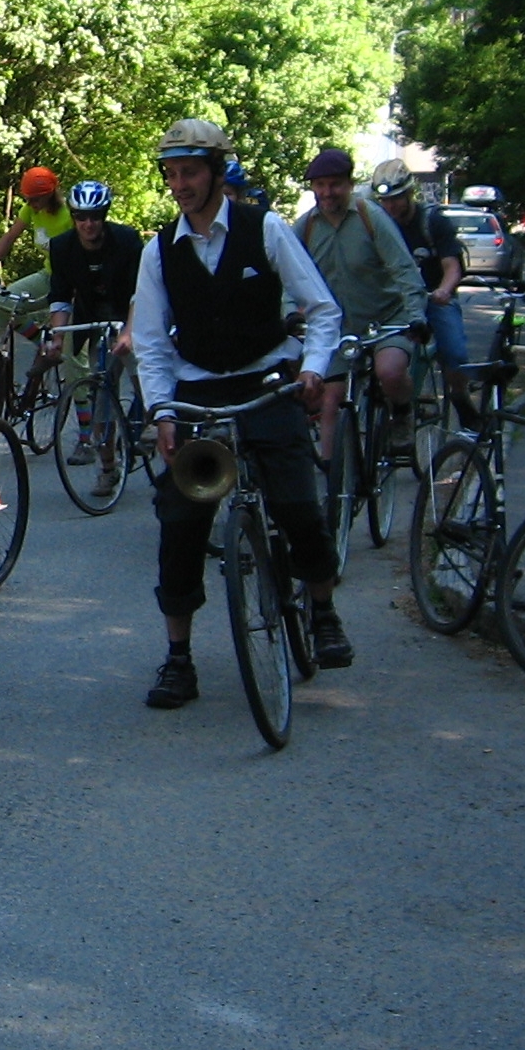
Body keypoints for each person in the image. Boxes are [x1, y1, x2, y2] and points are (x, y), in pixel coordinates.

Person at [134, 118, 345, 709]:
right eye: (172, 174)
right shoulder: (159, 250)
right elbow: (150, 341)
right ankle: (179, 658)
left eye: (190, 172)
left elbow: (322, 309)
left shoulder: (265, 227)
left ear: (215, 172)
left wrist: (314, 367)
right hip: (197, 391)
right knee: (179, 522)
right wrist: (162, 411)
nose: (180, 185)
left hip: (266, 382)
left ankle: (323, 611)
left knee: (299, 506)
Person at [296, 147, 426, 463]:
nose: (327, 192)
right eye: (320, 185)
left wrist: (416, 316)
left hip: (385, 318)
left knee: (389, 371)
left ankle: (402, 413)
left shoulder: (371, 217)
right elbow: (287, 275)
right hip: (336, 327)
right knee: (330, 400)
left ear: (350, 184)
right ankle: (334, 479)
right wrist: (289, 313)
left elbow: (403, 268)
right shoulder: (305, 226)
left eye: (335, 184)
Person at [42, 180, 142, 491]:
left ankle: (151, 418)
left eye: (95, 217)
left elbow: (140, 292)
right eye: (81, 217)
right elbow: (60, 295)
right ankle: (108, 467)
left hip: (130, 313)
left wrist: (128, 332)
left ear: (104, 216)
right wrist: (57, 337)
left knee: (145, 372)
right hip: (93, 318)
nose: (88, 224)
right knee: (101, 388)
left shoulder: (126, 241)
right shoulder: (62, 247)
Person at [370, 158, 472, 424]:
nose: (390, 206)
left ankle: (460, 394)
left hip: (433, 298)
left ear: (409, 193)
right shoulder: (376, 223)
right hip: (397, 302)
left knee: (455, 352)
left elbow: (452, 266)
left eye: (396, 198)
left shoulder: (432, 222)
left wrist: (443, 291)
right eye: (385, 200)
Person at [0, 166, 73, 283]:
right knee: (7, 295)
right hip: (50, 274)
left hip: (72, 277)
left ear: (49, 194)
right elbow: (9, 237)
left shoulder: (70, 214)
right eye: (27, 199)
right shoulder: (31, 209)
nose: (30, 203)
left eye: (35, 199)